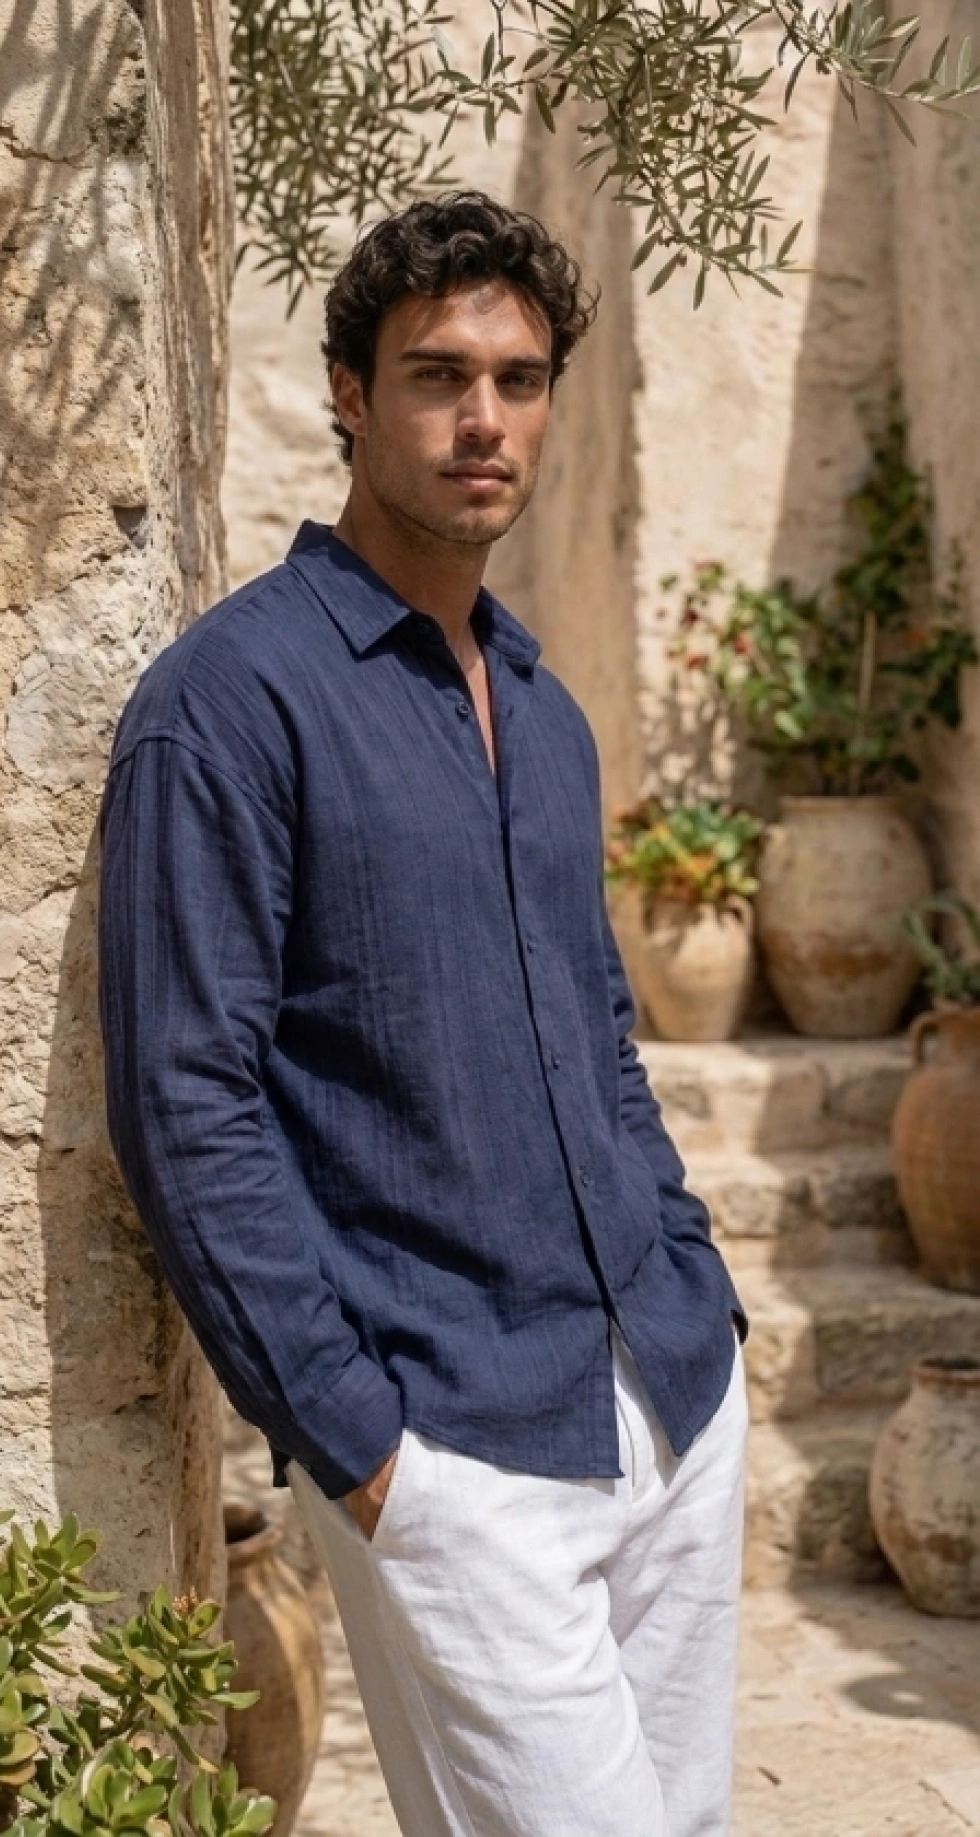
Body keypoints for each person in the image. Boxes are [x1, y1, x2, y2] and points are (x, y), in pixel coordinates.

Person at [99, 191, 749, 1837]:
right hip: (455, 1446)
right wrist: (364, 1450)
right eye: (438, 375)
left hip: (669, 1401)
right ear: (349, 392)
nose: (484, 420)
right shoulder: (227, 705)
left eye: (519, 381)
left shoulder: (546, 709)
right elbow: (186, 1102)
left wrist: (697, 1286)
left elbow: (599, 1036)